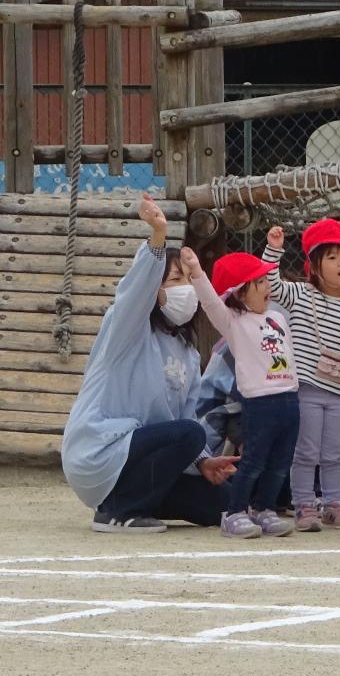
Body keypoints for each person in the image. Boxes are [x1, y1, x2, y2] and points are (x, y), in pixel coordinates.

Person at [61, 195, 240, 532]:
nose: (186, 289)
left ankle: (138, 501)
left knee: (225, 502)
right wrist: (158, 235)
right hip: (100, 452)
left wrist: (203, 462)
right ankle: (117, 513)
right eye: (175, 281)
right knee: (189, 433)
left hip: (141, 464)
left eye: (190, 280)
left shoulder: (187, 352)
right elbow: (134, 291)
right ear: (154, 292)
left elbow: (184, 420)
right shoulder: (127, 329)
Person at [260, 219, 340, 533]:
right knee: (307, 450)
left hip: (339, 394)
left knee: (335, 451)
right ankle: (304, 505)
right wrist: (273, 249)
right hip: (306, 390)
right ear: (314, 265)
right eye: (333, 257)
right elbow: (270, 282)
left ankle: (335, 504)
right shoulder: (299, 294)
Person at [185, 246, 300, 539]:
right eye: (259, 283)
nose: (267, 287)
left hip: (290, 397)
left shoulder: (278, 317)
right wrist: (197, 273)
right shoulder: (233, 322)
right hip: (260, 402)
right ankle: (235, 511)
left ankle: (264, 508)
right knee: (255, 460)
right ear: (238, 293)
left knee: (281, 461)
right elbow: (211, 303)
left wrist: (274, 249)